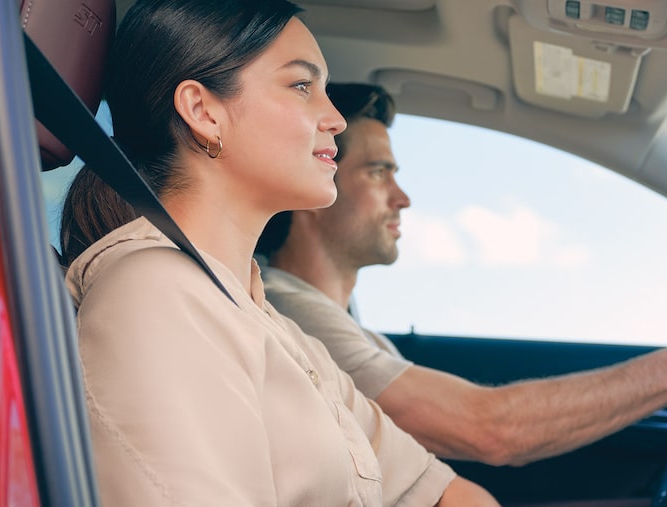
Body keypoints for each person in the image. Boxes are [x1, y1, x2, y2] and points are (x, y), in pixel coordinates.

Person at [58, 0, 496, 504]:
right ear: (204, 112)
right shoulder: (157, 296)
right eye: (302, 86)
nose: (334, 119)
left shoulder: (273, 325)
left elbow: (441, 491)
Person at [255, 83, 667, 467]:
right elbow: (489, 429)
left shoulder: (345, 329)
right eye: (378, 172)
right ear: (314, 184)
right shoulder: (289, 311)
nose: (403, 197)